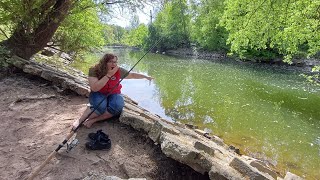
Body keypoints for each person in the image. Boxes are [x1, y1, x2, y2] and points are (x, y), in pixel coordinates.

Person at [72, 53, 153, 129]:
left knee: (117, 107)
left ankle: (93, 120)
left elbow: (132, 75)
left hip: (114, 92)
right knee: (100, 107)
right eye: (110, 62)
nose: (114, 64)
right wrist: (109, 75)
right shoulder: (94, 70)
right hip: (98, 92)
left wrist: (145, 76)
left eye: (115, 62)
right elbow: (95, 88)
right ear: (104, 62)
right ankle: (80, 120)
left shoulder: (118, 69)